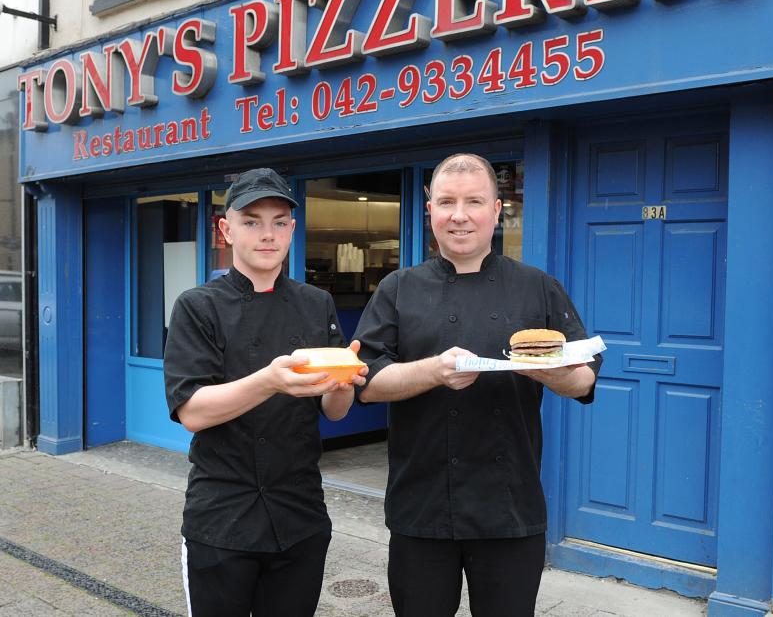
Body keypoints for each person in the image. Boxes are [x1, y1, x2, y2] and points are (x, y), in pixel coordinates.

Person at [355, 153, 602, 617]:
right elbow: (365, 382)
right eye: (447, 202)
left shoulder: (538, 286)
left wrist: (550, 372)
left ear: (497, 209)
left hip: (510, 506)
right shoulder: (398, 288)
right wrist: (433, 371)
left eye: (474, 201)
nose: (460, 215)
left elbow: (585, 379)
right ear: (430, 210)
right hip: (420, 506)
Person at [163, 167, 366, 617]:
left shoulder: (316, 303)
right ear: (226, 230)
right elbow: (193, 412)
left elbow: (335, 411)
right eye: (252, 221)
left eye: (278, 222)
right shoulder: (197, 306)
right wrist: (269, 381)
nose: (267, 234)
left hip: (300, 515)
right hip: (222, 519)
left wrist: (343, 382)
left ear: (292, 229)